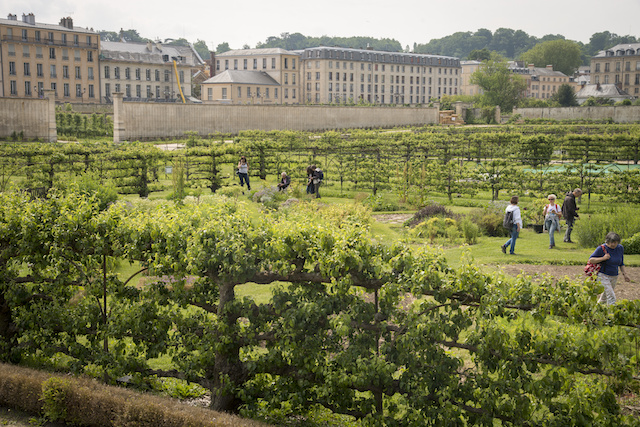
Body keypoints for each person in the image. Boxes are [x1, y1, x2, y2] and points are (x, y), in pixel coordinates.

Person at [588, 232, 631, 305]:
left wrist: (625, 274)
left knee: (605, 296)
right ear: (607, 241)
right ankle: (611, 314)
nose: (613, 244)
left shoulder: (620, 248)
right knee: (611, 295)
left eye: (615, 242)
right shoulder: (601, 248)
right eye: (611, 242)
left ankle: (598, 308)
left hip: (614, 275)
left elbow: (621, 263)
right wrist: (603, 258)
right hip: (603, 275)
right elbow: (591, 260)